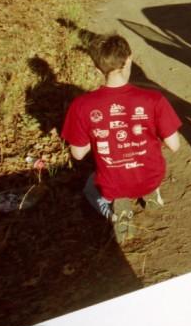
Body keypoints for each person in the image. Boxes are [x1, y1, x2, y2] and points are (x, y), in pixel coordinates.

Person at [61, 34, 182, 243]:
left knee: (90, 187)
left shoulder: (81, 106)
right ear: (129, 60)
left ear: (97, 70)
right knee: (148, 161)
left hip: (113, 184)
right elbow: (174, 145)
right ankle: (152, 193)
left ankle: (115, 215)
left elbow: (78, 154)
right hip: (151, 176)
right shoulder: (154, 99)